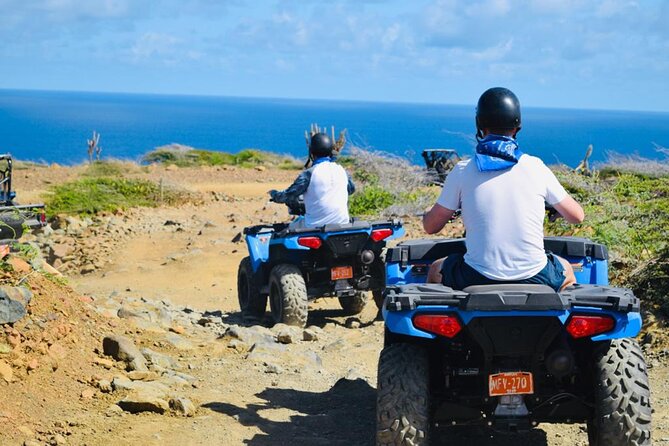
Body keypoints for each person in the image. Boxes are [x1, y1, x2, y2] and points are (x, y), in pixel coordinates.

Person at [422, 87, 585, 291]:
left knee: (436, 269)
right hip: (536, 276)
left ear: (480, 125)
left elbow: (431, 227)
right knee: (567, 270)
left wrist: (429, 214)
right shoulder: (535, 167)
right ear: (517, 127)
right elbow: (577, 216)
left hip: (475, 277)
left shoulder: (463, 170)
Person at [270, 132, 355, 227]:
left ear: (311, 152)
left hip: (314, 225)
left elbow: (288, 196)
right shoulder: (342, 170)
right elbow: (351, 189)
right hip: (342, 223)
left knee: (288, 230)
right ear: (331, 150)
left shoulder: (309, 173)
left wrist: (274, 194)